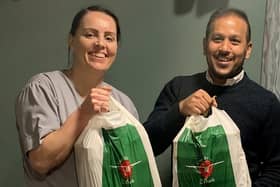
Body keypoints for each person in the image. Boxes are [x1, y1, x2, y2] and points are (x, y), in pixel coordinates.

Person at [144, 8, 280, 186]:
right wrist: (180, 110)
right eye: (217, 39)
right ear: (204, 45)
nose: (224, 48)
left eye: (234, 41)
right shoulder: (178, 88)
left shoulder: (266, 103)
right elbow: (147, 145)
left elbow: (276, 169)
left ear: (248, 50)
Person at [15, 5, 138, 187]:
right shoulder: (43, 88)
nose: (101, 44)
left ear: (116, 47)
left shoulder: (124, 104)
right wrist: (84, 113)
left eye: (109, 38)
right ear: (71, 40)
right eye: (90, 35)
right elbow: (40, 162)